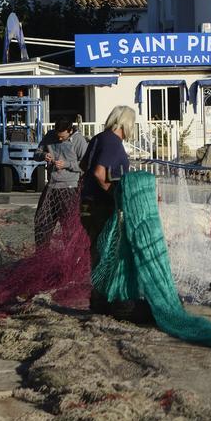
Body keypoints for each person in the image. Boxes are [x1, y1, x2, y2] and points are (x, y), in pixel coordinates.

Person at [80, 105, 134, 314]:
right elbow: (98, 172)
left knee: (96, 250)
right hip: (100, 206)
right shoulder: (113, 141)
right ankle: (101, 299)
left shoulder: (99, 138)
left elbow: (84, 165)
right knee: (106, 251)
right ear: (126, 124)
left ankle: (98, 297)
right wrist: (115, 194)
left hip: (86, 203)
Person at [33, 116, 86, 246]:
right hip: (51, 186)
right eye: (58, 136)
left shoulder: (79, 140)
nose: (60, 139)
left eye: (63, 137)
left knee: (69, 226)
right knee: (42, 222)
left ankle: (70, 256)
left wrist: (67, 164)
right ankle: (41, 255)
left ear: (70, 131)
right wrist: (43, 155)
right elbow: (36, 153)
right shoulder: (50, 135)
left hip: (70, 187)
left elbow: (86, 164)